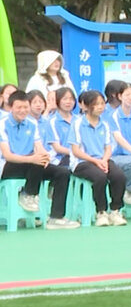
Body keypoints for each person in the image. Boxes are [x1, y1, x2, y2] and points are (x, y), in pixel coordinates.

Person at [0, 90, 78, 229]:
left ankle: (56, 217)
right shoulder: (2, 124)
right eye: (19, 107)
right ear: (11, 107)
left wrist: (44, 156)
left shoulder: (32, 123)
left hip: (32, 166)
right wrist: (34, 159)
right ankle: (28, 194)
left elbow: (39, 147)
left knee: (62, 172)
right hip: (8, 165)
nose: (23, 110)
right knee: (35, 162)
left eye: (25, 107)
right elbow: (7, 155)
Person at [70, 90, 128, 227]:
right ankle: (101, 212)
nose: (100, 107)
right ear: (86, 106)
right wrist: (96, 161)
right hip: (82, 162)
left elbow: (108, 148)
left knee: (119, 176)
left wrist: (104, 160)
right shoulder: (77, 124)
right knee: (100, 177)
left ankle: (115, 211)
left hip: (102, 160)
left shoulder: (105, 125)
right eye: (96, 104)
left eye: (102, 103)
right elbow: (76, 151)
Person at [107, 82, 131, 200]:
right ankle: (129, 190)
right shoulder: (113, 116)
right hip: (116, 156)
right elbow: (118, 138)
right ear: (120, 96)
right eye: (127, 95)